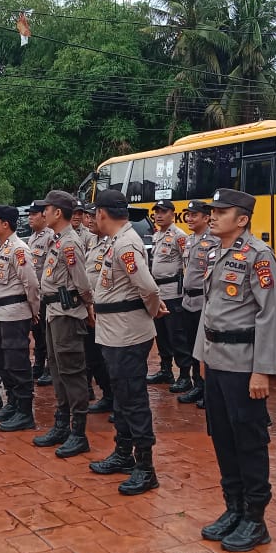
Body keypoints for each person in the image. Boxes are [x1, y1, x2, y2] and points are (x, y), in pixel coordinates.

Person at [195, 189, 276, 552]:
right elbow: (209, 307)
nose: (213, 216)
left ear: (242, 219)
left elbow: (270, 315)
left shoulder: (259, 256)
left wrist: (262, 371)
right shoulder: (216, 252)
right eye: (212, 211)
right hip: (216, 360)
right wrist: (201, 355)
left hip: (243, 365)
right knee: (223, 437)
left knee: (248, 440)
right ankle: (234, 507)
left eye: (221, 212)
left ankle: (255, 518)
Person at [87, 190, 167, 494]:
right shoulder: (117, 241)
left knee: (133, 399)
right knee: (122, 396)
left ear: (102, 213)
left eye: (94, 213)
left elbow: (148, 288)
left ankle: (145, 467)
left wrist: (153, 311)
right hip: (114, 332)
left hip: (127, 333)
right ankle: (123, 453)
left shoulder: (126, 244)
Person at [33, 189, 94, 458]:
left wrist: (89, 306)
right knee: (57, 371)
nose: (43, 213)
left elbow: (82, 283)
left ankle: (78, 433)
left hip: (67, 314)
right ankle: (61, 425)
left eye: (46, 209)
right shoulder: (57, 241)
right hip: (53, 312)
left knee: (72, 372)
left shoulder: (70, 243)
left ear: (58, 213)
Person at [0, 205, 40, 432]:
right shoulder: (1, 247)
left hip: (15, 313)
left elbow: (31, 284)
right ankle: (13, 403)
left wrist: (34, 311)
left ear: (5, 224)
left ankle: (25, 412)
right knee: (3, 360)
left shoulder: (19, 249)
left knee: (17, 362)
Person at [179, 199, 219, 407]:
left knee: (204, 347)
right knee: (192, 346)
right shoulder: (189, 240)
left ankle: (207, 389)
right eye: (188, 215)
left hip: (202, 300)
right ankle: (197, 384)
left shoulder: (213, 240)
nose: (189, 218)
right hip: (188, 300)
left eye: (194, 215)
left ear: (206, 218)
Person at [148, 200, 188, 387]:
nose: (159, 215)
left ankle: (185, 375)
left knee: (177, 335)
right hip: (158, 293)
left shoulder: (179, 236)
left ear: (172, 214)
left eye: (163, 212)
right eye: (157, 212)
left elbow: (188, 263)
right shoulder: (157, 235)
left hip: (173, 293)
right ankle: (166, 371)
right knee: (161, 334)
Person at [83, 206, 114, 414]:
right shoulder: (92, 241)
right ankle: (107, 395)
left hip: (106, 310)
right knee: (93, 357)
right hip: (90, 309)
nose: (90, 220)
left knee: (109, 358)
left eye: (93, 216)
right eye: (88, 216)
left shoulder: (113, 243)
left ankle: (117, 399)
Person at [27, 201, 54, 387]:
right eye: (29, 214)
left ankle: (50, 368)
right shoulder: (32, 238)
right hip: (35, 295)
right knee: (37, 332)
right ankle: (38, 364)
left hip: (45, 294)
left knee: (47, 333)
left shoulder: (50, 237)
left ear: (44, 216)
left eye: (34, 214)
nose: (30, 217)